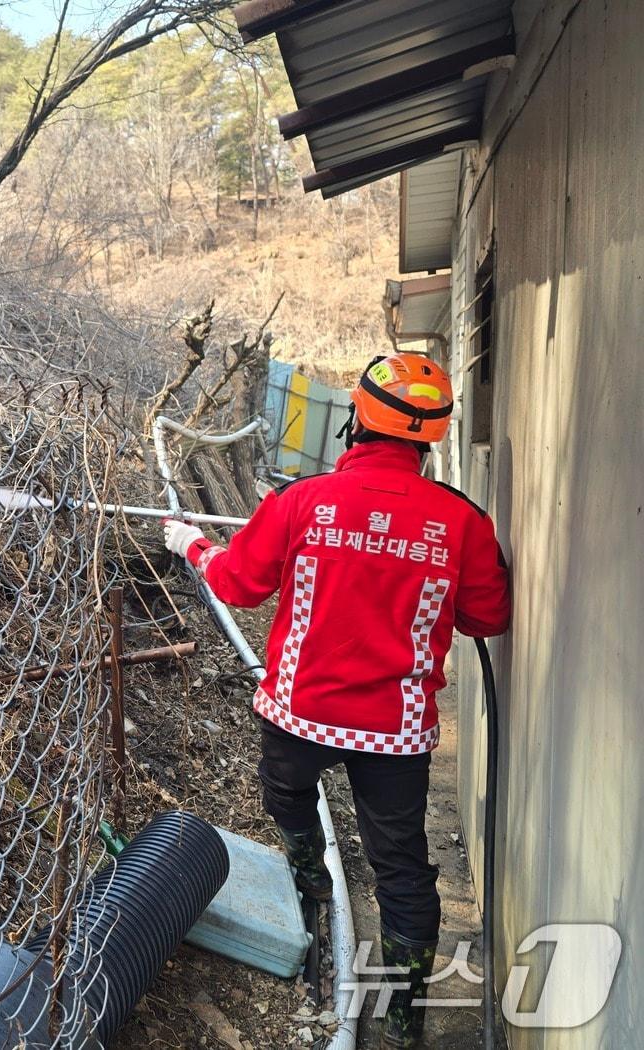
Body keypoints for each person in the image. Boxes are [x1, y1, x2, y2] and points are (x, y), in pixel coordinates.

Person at [164, 352, 511, 1049]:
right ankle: (404, 1019)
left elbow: (238, 584)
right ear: (429, 437)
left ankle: (309, 883)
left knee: (286, 798)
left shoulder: (302, 501)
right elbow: (488, 618)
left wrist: (193, 545)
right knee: (402, 869)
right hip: (396, 735)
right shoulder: (461, 522)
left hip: (300, 713)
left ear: (356, 421)